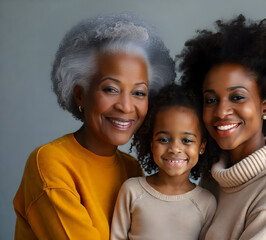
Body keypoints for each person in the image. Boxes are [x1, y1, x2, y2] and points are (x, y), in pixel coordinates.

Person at [13, 13, 175, 239]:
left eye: (139, 92)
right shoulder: (50, 163)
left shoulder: (131, 170)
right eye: (110, 89)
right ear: (80, 95)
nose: (127, 107)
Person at [178, 14, 266, 239]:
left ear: (265, 107)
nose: (221, 112)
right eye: (211, 100)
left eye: (237, 97)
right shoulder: (214, 177)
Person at [110, 84, 217, 240]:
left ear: (201, 146)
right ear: (152, 144)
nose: (174, 149)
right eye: (164, 139)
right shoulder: (131, 190)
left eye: (186, 140)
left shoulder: (206, 203)